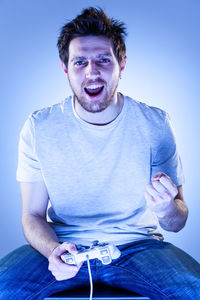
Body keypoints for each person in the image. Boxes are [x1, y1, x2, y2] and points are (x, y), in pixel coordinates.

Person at [0, 7, 200, 300]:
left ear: (122, 65)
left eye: (103, 60)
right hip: (64, 246)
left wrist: (167, 209)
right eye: (80, 62)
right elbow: (31, 215)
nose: (92, 72)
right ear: (65, 68)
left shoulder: (155, 123)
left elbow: (177, 220)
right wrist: (53, 250)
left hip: (138, 246)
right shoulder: (39, 127)